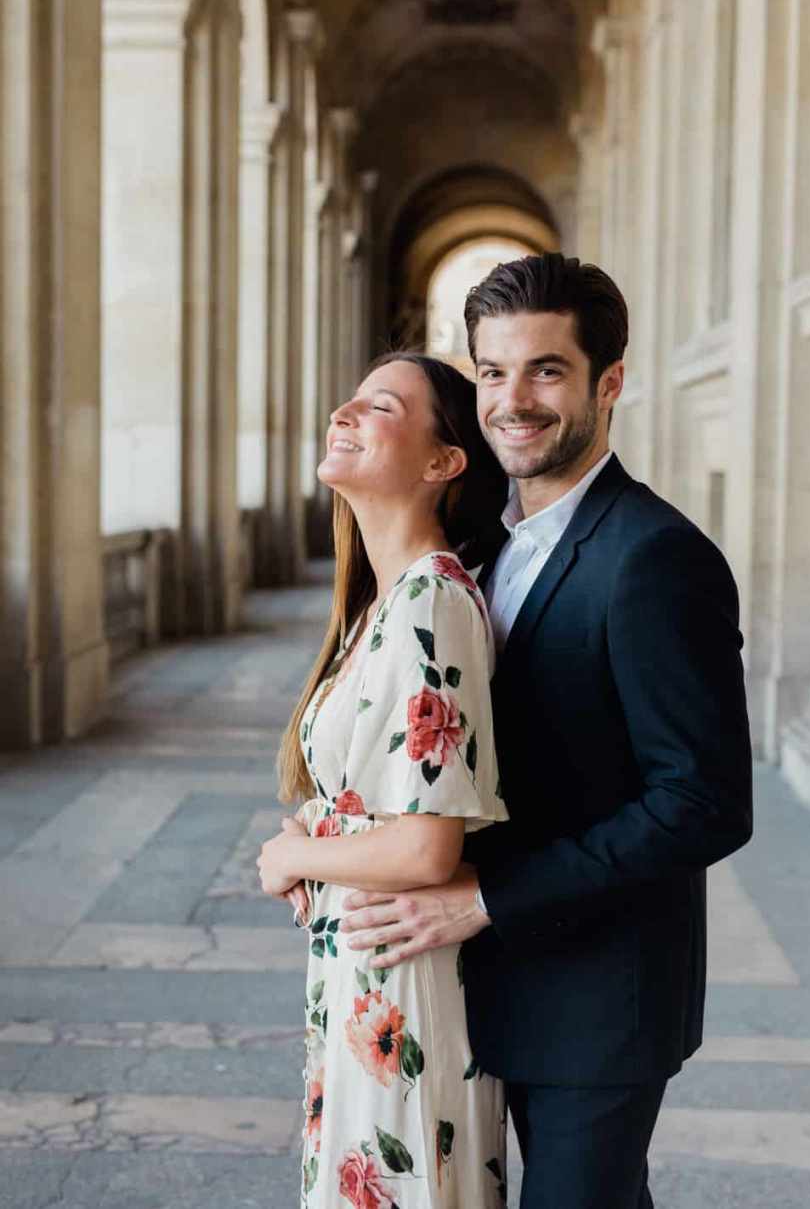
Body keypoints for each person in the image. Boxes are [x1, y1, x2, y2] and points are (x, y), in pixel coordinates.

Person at [339, 253, 754, 1208]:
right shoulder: (476, 547)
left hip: (597, 1002)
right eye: (492, 372)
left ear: (609, 382)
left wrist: (489, 897)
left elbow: (702, 803)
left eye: (547, 371)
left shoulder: (659, 558)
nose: (512, 401)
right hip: (472, 986)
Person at [256, 354, 511, 1207]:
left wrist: (294, 854)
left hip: (402, 982)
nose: (346, 410)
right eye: (352, 398)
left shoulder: (433, 600)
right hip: (363, 978)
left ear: (444, 462)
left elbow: (427, 844)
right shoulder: (383, 602)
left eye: (383, 405)